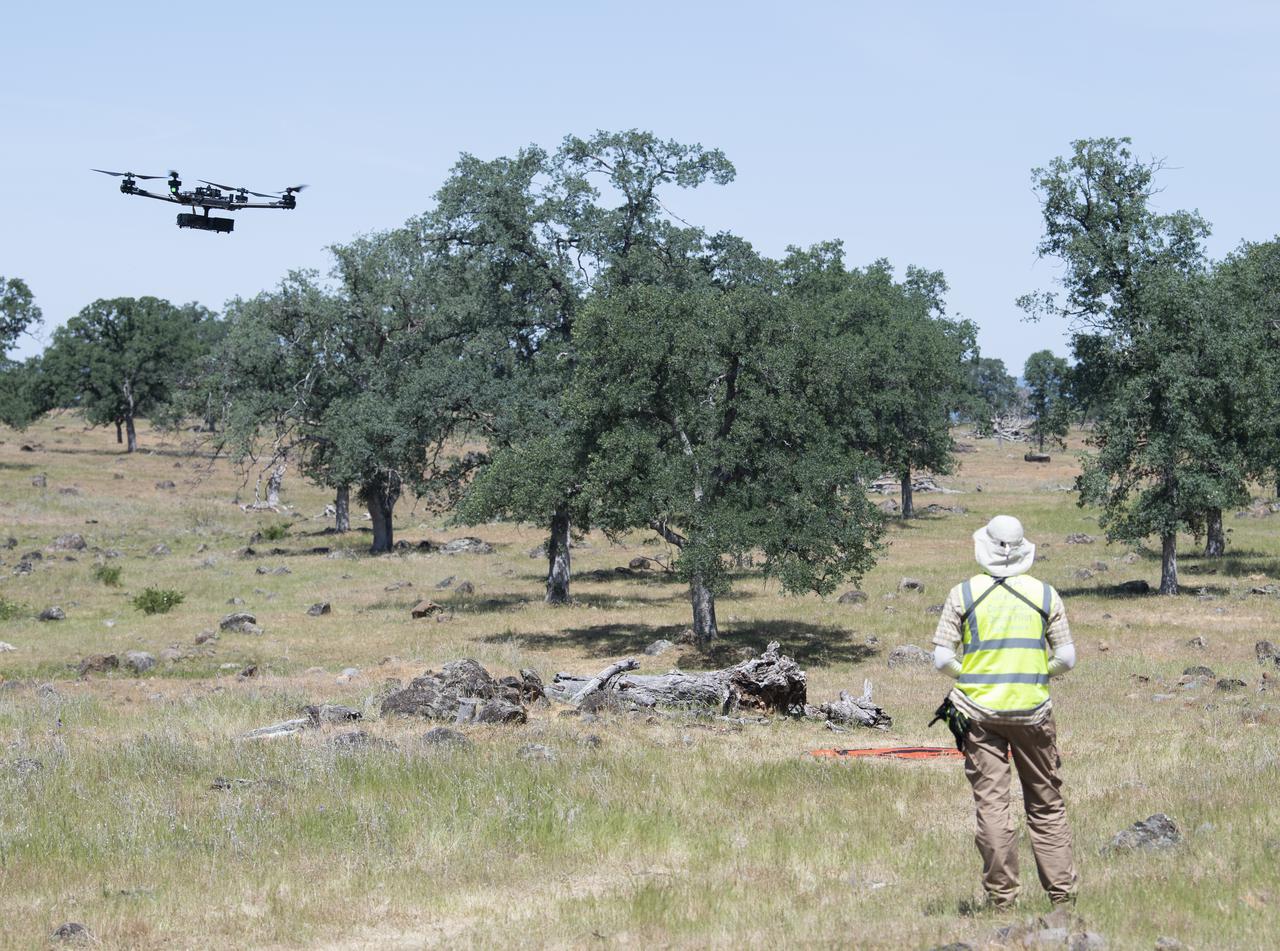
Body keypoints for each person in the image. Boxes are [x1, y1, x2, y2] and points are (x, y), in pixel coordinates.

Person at [932, 514, 1078, 909]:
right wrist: (1037, 673)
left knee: (992, 804)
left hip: (976, 714)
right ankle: (1062, 899)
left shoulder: (962, 594)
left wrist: (971, 675)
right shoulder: (1045, 595)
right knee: (1046, 804)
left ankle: (1002, 901)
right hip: (1033, 712)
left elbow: (942, 657)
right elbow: (1066, 657)